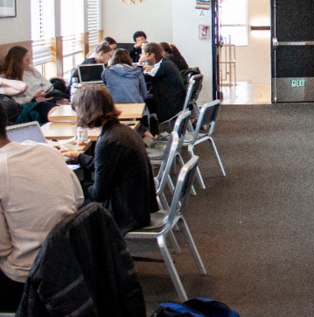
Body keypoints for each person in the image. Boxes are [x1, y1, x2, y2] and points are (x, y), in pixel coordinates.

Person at [0, 104, 84, 312]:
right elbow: (79, 198)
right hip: (71, 265)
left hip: (26, 280)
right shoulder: (47, 151)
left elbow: (2, 249)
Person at [71, 86, 157, 235]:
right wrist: (78, 157)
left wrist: (72, 186)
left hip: (125, 214)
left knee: (72, 200)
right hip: (138, 205)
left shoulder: (108, 141)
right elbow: (106, 164)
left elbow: (99, 194)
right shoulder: (122, 131)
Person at [0, 46, 67, 124]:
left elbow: (46, 84)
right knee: (51, 100)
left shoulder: (29, 69)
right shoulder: (6, 78)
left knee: (59, 93)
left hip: (42, 95)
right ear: (17, 62)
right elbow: (18, 97)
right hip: (30, 103)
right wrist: (33, 97)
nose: (29, 62)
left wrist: (39, 94)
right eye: (27, 60)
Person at [141, 42, 186, 126]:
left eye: (143, 54)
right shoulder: (165, 62)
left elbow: (144, 79)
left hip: (169, 105)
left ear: (150, 55)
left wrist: (140, 63)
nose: (141, 56)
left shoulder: (163, 66)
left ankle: (148, 131)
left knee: (141, 101)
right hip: (175, 101)